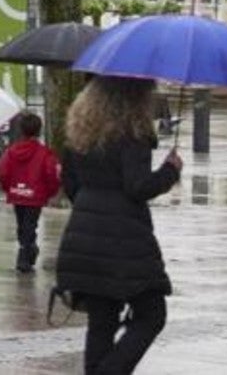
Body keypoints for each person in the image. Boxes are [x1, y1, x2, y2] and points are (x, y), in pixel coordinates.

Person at [56, 76, 183, 375]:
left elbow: (71, 184)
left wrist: (92, 204)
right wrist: (170, 170)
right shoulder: (132, 132)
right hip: (123, 237)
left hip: (83, 231)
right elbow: (137, 187)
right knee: (152, 314)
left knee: (102, 321)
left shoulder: (80, 132)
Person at [0, 111, 62, 274]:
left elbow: (2, 172)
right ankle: (26, 253)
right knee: (30, 225)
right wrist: (50, 192)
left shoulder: (11, 151)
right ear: (39, 131)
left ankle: (27, 251)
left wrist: (9, 189)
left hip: (17, 194)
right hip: (36, 195)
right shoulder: (44, 153)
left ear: (21, 130)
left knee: (22, 224)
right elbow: (51, 174)